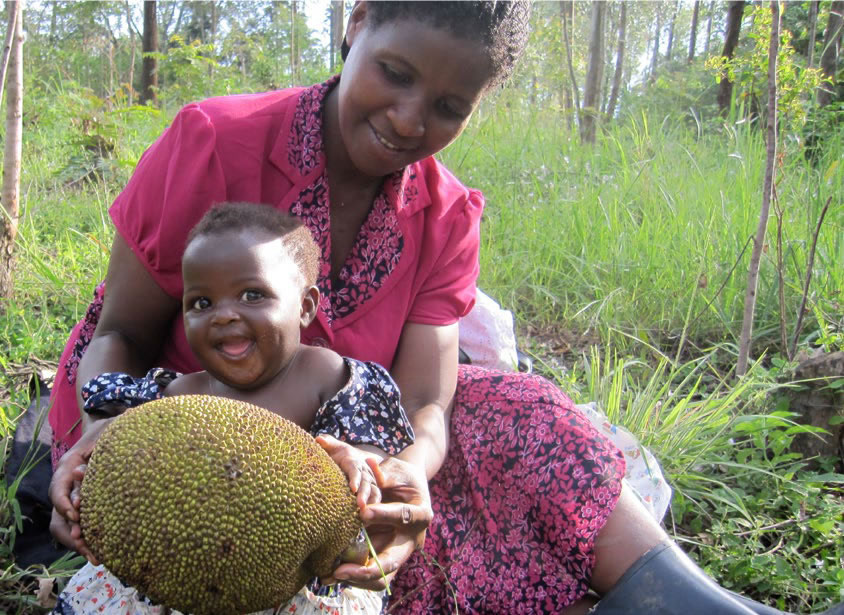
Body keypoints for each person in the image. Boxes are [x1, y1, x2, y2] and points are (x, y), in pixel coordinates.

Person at [46, 3, 842, 614]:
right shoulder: (214, 139)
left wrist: (409, 471)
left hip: (343, 448)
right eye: (394, 72)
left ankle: (685, 598)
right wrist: (103, 439)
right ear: (355, 26)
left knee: (519, 406)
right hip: (173, 424)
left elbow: (427, 399)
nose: (408, 118)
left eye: (449, 105)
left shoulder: (448, 214)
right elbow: (119, 332)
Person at [57, 202, 415, 614]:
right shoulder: (175, 397)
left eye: (252, 295)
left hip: (306, 587)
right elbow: (118, 446)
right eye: (201, 303)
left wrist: (360, 462)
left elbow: (376, 466)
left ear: (305, 306)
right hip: (189, 575)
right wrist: (87, 474)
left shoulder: (331, 378)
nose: (224, 315)